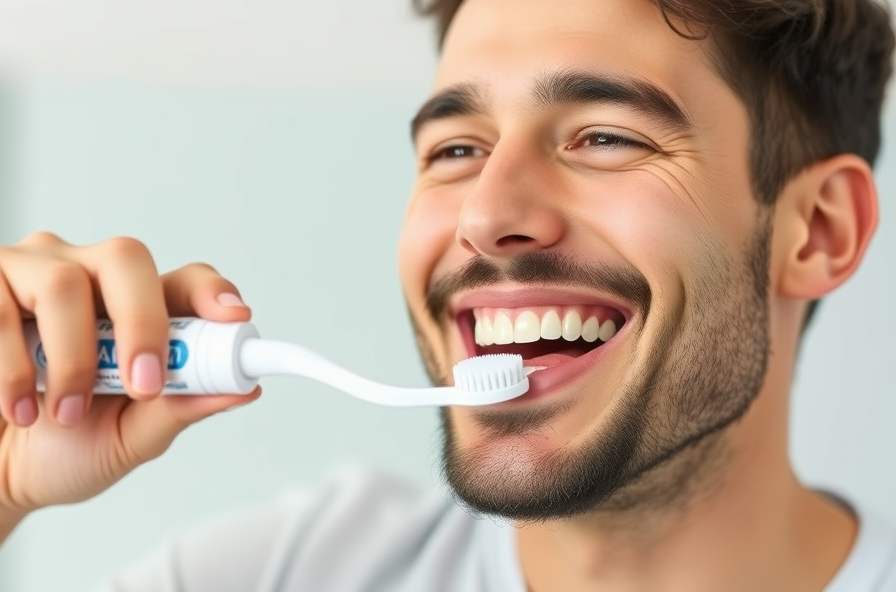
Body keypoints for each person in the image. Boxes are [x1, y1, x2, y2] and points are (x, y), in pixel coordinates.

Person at [0, 0, 894, 590]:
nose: (486, 216)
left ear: (817, 231)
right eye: (455, 150)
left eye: (606, 137)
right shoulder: (288, 572)